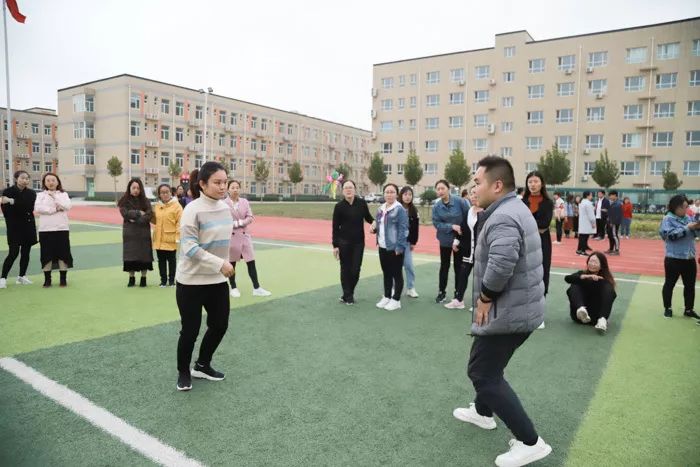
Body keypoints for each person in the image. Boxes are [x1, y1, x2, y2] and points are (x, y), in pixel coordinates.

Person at [452, 156, 551, 467]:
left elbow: (502, 263)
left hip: (509, 312)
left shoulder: (504, 216)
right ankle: (483, 412)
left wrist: (485, 298)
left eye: (478, 182)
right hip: (519, 308)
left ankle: (530, 442)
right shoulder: (511, 208)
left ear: (497, 185)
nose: (473, 188)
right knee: (488, 367)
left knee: (482, 373)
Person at [175, 161, 234, 392]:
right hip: (191, 281)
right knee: (190, 330)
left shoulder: (225, 208)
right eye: (217, 182)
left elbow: (222, 242)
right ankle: (183, 372)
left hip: (217, 281)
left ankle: (202, 365)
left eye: (225, 182)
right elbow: (189, 247)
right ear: (202, 184)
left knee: (220, 325)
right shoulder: (192, 210)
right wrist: (220, 264)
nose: (223, 187)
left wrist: (226, 263)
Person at [224, 180, 271, 298]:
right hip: (232, 237)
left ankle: (257, 288)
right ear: (228, 189)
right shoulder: (223, 204)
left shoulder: (244, 202)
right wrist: (233, 224)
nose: (235, 190)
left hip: (245, 237)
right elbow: (223, 220)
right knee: (232, 263)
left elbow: (250, 217)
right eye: (232, 187)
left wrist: (239, 223)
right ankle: (233, 287)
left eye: (237, 187)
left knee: (251, 262)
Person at [332, 180, 374, 305]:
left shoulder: (361, 203)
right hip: (343, 243)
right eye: (346, 188)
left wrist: (375, 223)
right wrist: (335, 245)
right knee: (345, 269)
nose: (348, 190)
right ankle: (348, 295)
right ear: (342, 191)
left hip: (358, 243)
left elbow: (368, 218)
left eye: (350, 187)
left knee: (356, 269)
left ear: (355, 189)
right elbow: (335, 227)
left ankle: (347, 294)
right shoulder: (339, 206)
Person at [659, 194, 700, 320]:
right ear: (676, 207)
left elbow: (695, 234)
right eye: (685, 207)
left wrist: (697, 227)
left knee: (690, 286)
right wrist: (687, 228)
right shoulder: (668, 219)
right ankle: (668, 308)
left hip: (689, 257)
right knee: (669, 284)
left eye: (687, 207)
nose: (687, 209)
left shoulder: (688, 218)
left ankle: (689, 309)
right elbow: (670, 236)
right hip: (674, 258)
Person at [432, 179, 469, 303]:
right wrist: (451, 226)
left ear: (448, 189)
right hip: (445, 240)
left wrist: (461, 231)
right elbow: (436, 223)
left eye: (443, 188)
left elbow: (468, 217)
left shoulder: (460, 202)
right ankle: (441, 292)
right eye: (438, 189)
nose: (440, 191)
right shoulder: (436, 206)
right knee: (444, 266)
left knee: (459, 267)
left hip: (459, 240)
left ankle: (458, 293)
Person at [445, 185, 483, 309]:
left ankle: (478, 304)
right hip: (467, 251)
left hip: (481, 252)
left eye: (476, 193)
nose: (473, 196)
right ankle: (459, 300)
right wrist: (456, 241)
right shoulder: (469, 211)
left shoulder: (487, 212)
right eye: (471, 193)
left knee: (480, 279)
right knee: (463, 275)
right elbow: (462, 228)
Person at [372, 183, 408, 311]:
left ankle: (396, 300)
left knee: (396, 274)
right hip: (382, 246)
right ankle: (387, 296)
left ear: (397, 194)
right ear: (384, 194)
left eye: (392, 192)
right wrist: (374, 228)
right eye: (387, 192)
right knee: (386, 273)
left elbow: (404, 230)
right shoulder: (381, 209)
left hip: (395, 247)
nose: (389, 194)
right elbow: (380, 225)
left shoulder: (399, 209)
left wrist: (400, 247)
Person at [34, 173, 73, 287]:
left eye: (53, 180)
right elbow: (38, 208)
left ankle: (63, 279)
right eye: (48, 180)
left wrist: (55, 197)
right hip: (45, 229)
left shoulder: (63, 194)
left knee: (63, 254)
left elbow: (67, 206)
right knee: (46, 254)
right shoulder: (40, 195)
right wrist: (54, 209)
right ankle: (47, 280)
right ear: (44, 183)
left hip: (62, 228)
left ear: (57, 182)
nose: (51, 182)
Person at [0, 171, 37, 288]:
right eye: (22, 178)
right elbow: (5, 209)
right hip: (14, 226)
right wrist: (13, 205)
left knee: (26, 253)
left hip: (28, 226)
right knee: (13, 253)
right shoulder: (7, 191)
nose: (25, 180)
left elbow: (29, 206)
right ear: (16, 179)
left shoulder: (31, 193)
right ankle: (3, 278)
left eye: (27, 178)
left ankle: (22, 276)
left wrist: (11, 201)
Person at [565, 251, 617, 333]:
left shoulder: (605, 280)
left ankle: (602, 319)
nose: (592, 264)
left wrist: (600, 281)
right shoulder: (582, 274)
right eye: (591, 261)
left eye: (595, 262)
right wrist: (585, 277)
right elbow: (567, 278)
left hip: (596, 318)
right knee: (575, 284)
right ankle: (581, 309)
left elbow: (612, 294)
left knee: (608, 288)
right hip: (578, 317)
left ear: (602, 266)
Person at [522, 171, 553, 296]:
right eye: (530, 182)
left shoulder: (548, 202)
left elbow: (545, 223)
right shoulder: (522, 202)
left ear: (542, 184)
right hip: (524, 241)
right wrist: (535, 226)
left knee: (542, 269)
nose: (532, 184)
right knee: (523, 270)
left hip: (542, 241)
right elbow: (517, 221)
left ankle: (541, 296)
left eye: (535, 181)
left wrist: (526, 223)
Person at [118, 178, 153, 287]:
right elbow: (125, 214)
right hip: (130, 233)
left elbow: (149, 215)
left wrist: (135, 218)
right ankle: (131, 278)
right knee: (130, 256)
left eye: (138, 188)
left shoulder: (146, 201)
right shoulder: (124, 201)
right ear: (129, 188)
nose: (136, 190)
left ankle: (143, 278)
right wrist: (139, 213)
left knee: (144, 256)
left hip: (143, 233)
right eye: (133, 188)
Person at [151, 183, 183, 287]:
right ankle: (163, 280)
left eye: (166, 192)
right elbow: (155, 220)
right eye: (162, 193)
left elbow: (180, 222)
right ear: (159, 194)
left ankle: (172, 280)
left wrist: (178, 236)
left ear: (171, 193)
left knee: (172, 261)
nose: (164, 194)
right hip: (159, 239)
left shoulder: (177, 206)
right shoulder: (157, 206)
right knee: (161, 261)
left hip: (171, 238)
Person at [399, 186, 420, 298]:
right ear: (401, 195)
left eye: (410, 194)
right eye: (405, 194)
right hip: (395, 242)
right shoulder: (396, 208)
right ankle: (394, 288)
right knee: (395, 266)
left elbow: (415, 228)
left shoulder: (414, 210)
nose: (408, 197)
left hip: (407, 243)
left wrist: (413, 242)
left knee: (409, 265)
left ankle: (410, 288)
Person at [577, 191, 596, 256]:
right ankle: (583, 251)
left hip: (582, 222)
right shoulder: (588, 203)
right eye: (591, 195)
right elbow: (591, 214)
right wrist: (593, 222)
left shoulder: (581, 203)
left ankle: (579, 250)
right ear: (587, 196)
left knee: (581, 236)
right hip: (587, 222)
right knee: (585, 237)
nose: (591, 196)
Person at [606, 191, 622, 256]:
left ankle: (617, 250)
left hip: (614, 223)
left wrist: (612, 222)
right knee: (610, 235)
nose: (610, 197)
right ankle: (611, 249)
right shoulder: (613, 203)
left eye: (611, 195)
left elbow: (617, 215)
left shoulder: (618, 204)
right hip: (610, 222)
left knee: (614, 235)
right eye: (609, 196)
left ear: (615, 195)